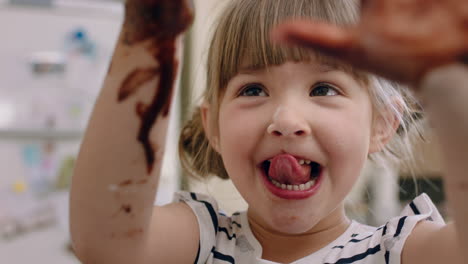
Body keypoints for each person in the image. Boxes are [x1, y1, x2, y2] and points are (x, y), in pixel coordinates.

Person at [70, 0, 468, 263]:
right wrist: (149, 36)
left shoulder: (401, 251)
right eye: (253, 90)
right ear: (214, 128)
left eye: (324, 89)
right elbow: (106, 243)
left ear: (382, 124)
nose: (287, 120)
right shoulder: (200, 240)